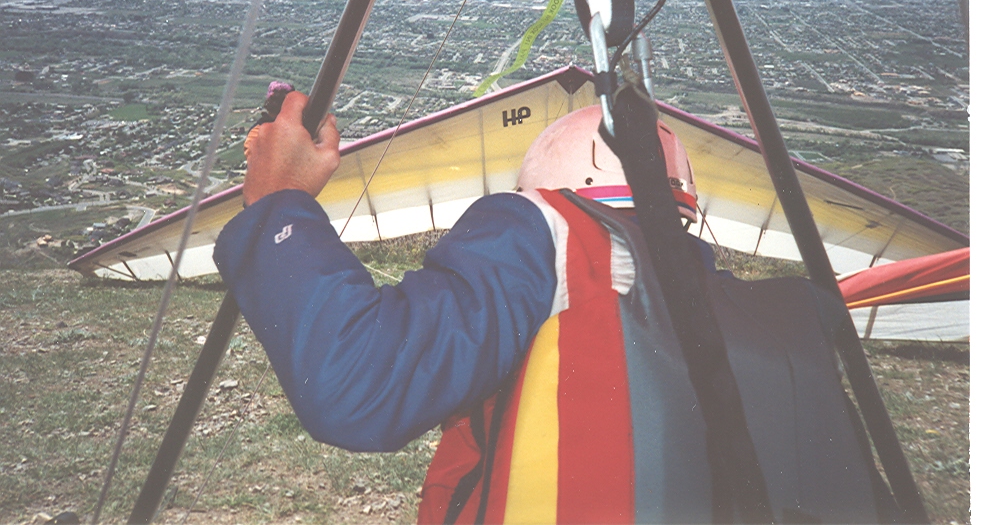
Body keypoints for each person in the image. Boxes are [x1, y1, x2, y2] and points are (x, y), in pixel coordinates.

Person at [213, 91, 888, 524]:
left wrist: (277, 202)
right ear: (683, 201)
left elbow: (358, 383)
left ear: (549, 190)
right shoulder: (732, 304)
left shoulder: (549, 234)